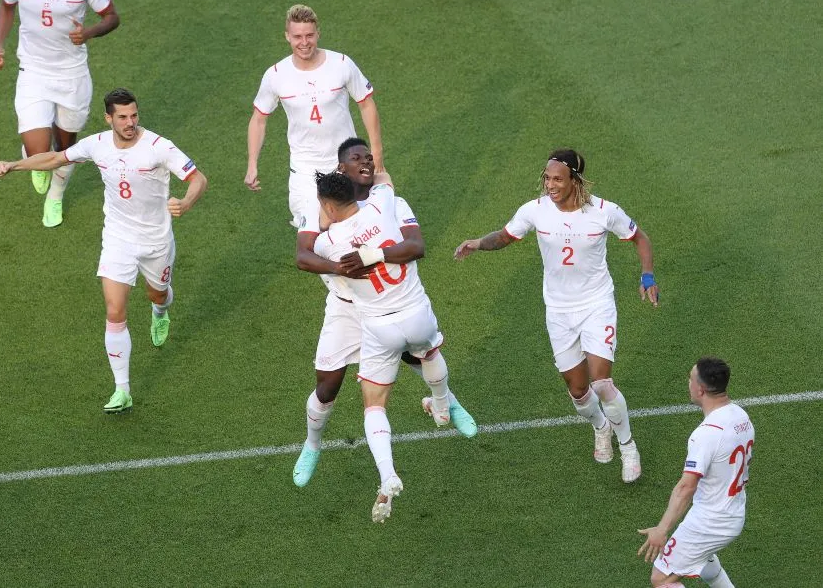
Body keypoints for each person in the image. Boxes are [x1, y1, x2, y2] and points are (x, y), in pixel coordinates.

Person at [0, 88, 207, 413]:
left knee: (157, 295)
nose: (130, 122)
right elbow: (54, 158)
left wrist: (186, 202)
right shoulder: (96, 145)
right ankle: (122, 390)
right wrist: (13, 164)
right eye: (122, 116)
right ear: (109, 118)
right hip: (118, 239)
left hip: (155, 240)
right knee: (114, 310)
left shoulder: (158, 147)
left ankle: (161, 313)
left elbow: (198, 179)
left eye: (134, 115)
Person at [455, 148, 659, 483]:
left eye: (557, 179)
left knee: (602, 383)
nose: (550, 185)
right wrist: (477, 243)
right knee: (578, 391)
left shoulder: (604, 212)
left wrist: (647, 276)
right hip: (559, 311)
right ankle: (600, 426)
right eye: (547, 178)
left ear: (575, 181)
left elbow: (640, 238)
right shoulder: (535, 211)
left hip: (596, 304)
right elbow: (505, 237)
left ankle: (629, 447)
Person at [292, 137, 477, 490]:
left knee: (420, 358)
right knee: (327, 385)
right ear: (340, 170)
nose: (366, 162)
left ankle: (449, 404)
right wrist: (340, 267)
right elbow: (302, 256)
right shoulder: (323, 211)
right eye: (356, 158)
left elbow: (414, 246)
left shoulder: (390, 200)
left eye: (369, 157)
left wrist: (370, 256)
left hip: (388, 306)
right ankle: (312, 445)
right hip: (346, 309)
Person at [244, 4, 383, 227]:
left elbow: (366, 104)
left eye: (309, 35)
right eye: (298, 36)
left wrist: (376, 152)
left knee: (355, 228)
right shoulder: (276, 75)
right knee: (313, 230)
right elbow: (259, 119)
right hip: (305, 169)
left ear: (318, 33)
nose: (304, 42)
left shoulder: (341, 64)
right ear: (287, 36)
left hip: (347, 164)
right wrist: (252, 163)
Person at [0, 0, 120, 228]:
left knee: (65, 148)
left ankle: (56, 195)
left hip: (72, 75)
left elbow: (112, 17)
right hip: (33, 72)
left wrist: (88, 33)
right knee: (36, 152)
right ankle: (34, 159)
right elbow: (6, 6)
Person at [637, 357, 754, 588]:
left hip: (710, 521)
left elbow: (686, 487)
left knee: (661, 578)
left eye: (690, 379)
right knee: (705, 562)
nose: (688, 383)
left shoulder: (706, 434)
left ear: (700, 389)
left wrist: (662, 529)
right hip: (732, 513)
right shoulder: (741, 416)